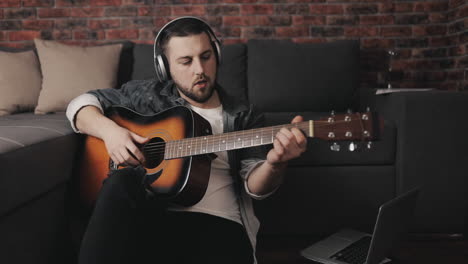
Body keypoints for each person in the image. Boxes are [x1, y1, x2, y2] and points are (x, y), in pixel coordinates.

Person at [66, 16, 307, 264]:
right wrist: (111, 133)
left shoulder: (244, 114)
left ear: (217, 55)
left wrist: (276, 163)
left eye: (206, 56)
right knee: (121, 180)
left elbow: (256, 187)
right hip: (152, 219)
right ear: (164, 67)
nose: (199, 70)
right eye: (186, 61)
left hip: (218, 226)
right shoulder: (148, 95)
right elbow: (80, 105)